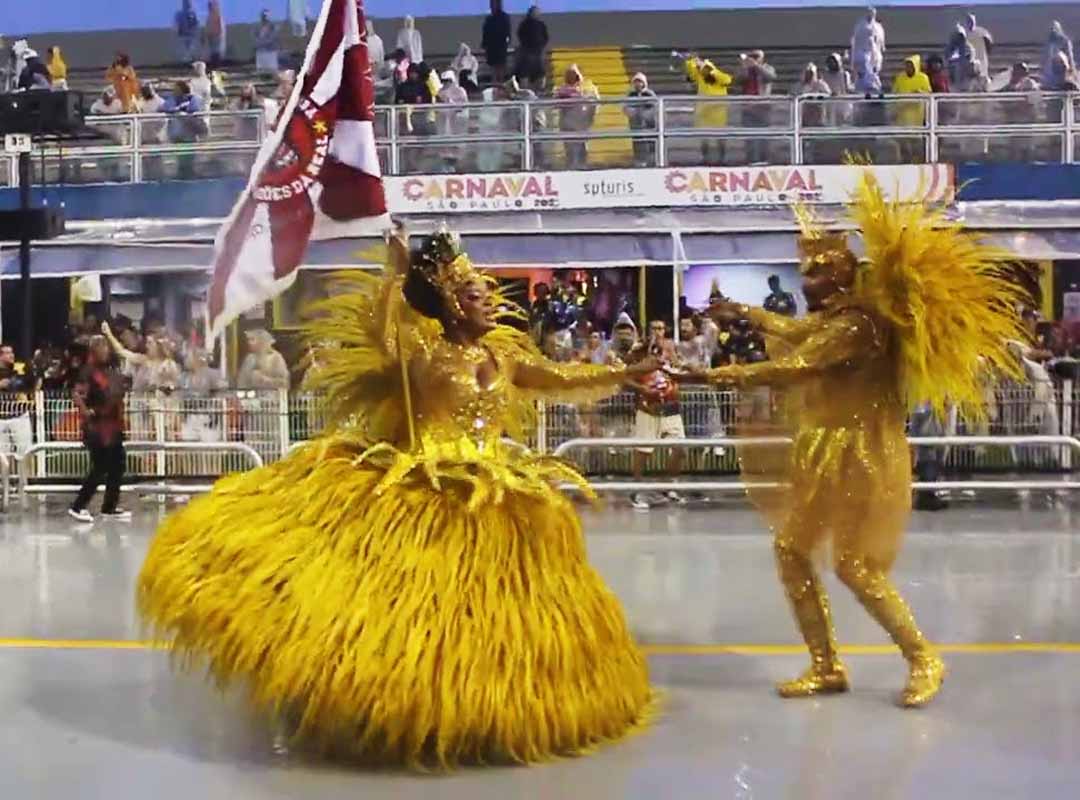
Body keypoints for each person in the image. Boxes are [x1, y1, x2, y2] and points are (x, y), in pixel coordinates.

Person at [136, 227, 656, 766]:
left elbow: (566, 376)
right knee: (406, 616)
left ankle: (476, 714)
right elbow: (385, 333)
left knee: (494, 626)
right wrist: (395, 273)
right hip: (419, 491)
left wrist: (627, 373)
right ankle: (386, 707)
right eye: (478, 296)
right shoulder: (423, 354)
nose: (492, 306)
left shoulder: (505, 361)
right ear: (453, 305)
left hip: (492, 494)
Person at [703, 176, 1026, 707]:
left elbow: (798, 365)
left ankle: (923, 656)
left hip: (860, 454)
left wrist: (711, 377)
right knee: (791, 551)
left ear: (838, 275)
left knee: (855, 566)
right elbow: (802, 336)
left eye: (815, 269)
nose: (805, 277)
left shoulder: (859, 325)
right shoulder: (836, 320)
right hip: (824, 448)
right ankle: (826, 665)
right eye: (804, 269)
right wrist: (745, 314)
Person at [69, 335, 130, 523]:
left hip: (113, 425)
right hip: (97, 427)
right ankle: (78, 506)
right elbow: (77, 395)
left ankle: (109, 507)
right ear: (93, 349)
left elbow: (115, 393)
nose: (105, 349)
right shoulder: (87, 372)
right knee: (101, 466)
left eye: (106, 346)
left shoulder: (109, 370)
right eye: (101, 346)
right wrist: (88, 412)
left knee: (118, 463)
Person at [684, 55, 733, 165]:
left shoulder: (718, 76)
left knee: (720, 136)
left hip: (718, 111)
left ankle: (722, 158)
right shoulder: (700, 78)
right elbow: (691, 72)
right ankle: (705, 158)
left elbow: (727, 80)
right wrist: (692, 61)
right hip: (704, 110)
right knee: (703, 136)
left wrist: (707, 68)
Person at [554, 64, 599, 170]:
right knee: (570, 150)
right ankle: (571, 168)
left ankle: (582, 167)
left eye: (574, 74)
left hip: (582, 124)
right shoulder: (562, 89)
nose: (572, 77)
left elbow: (595, 102)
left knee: (582, 148)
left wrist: (590, 115)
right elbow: (556, 103)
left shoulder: (588, 87)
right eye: (569, 75)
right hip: (568, 124)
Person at [0, 344, 37, 462]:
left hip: (20, 415)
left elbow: (34, 382)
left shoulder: (21, 368)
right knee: (3, 455)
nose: (12, 355)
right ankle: (4, 479)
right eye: (7, 353)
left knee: (25, 451)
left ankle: (26, 479)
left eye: (12, 352)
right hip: (1, 417)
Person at [624, 72, 658, 167]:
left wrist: (645, 114)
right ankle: (639, 161)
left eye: (640, 82)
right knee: (637, 142)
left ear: (644, 83)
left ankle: (652, 161)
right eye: (636, 82)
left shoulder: (649, 94)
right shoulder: (631, 94)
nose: (638, 84)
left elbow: (655, 106)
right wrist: (633, 113)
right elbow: (625, 107)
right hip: (636, 125)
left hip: (648, 124)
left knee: (650, 142)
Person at [515, 5, 549, 91]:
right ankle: (525, 91)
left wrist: (541, 45)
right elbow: (520, 35)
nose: (536, 14)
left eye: (537, 12)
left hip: (538, 52)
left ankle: (538, 90)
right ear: (530, 13)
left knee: (540, 73)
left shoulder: (541, 24)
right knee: (524, 72)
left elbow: (546, 36)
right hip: (527, 52)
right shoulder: (524, 24)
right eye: (535, 12)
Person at [482, 0, 512, 84]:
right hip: (491, 45)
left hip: (501, 45)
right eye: (491, 4)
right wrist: (484, 43)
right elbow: (485, 32)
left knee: (501, 65)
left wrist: (507, 41)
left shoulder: (504, 17)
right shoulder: (489, 18)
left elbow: (507, 31)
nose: (492, 6)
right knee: (492, 65)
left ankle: (501, 82)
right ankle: (494, 82)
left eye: (494, 4)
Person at [851, 6, 885, 78]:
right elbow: (855, 38)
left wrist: (882, 46)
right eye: (870, 13)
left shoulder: (877, 26)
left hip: (874, 52)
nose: (871, 15)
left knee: (874, 68)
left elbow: (880, 38)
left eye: (872, 14)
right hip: (863, 51)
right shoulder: (860, 25)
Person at [1043, 21, 1075, 86]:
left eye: (1054, 28)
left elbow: (1069, 55)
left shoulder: (1065, 40)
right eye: (1051, 29)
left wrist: (1071, 66)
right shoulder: (1049, 42)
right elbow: (1047, 56)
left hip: (1063, 63)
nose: (1053, 30)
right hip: (1052, 66)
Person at [254, 9, 281, 74]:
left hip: (270, 51)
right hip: (261, 52)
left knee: (272, 70)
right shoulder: (257, 27)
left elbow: (273, 37)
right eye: (264, 16)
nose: (265, 17)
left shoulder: (273, 27)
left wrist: (263, 43)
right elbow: (255, 37)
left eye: (266, 16)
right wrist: (259, 44)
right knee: (262, 71)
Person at [176, 0, 201, 64]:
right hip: (183, 35)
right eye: (186, 3)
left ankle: (190, 61)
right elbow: (177, 23)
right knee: (184, 50)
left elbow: (196, 23)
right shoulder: (179, 14)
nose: (187, 4)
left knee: (191, 48)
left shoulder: (193, 13)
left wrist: (194, 29)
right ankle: (184, 62)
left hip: (191, 34)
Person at [204, 0, 227, 65]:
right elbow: (208, 26)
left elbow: (221, 26)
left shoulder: (217, 15)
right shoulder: (210, 16)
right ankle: (214, 63)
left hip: (217, 36)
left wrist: (220, 34)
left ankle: (217, 64)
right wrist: (208, 34)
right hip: (212, 36)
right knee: (213, 52)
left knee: (217, 51)